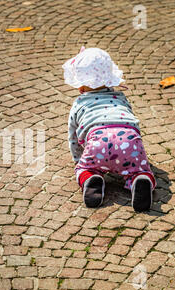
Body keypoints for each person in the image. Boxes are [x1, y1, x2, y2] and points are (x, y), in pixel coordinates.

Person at [63, 47, 156, 211]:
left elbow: (73, 136)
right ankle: (139, 178)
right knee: (140, 170)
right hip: (129, 140)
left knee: (85, 168)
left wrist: (79, 160)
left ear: (81, 87)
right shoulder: (121, 97)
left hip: (98, 144)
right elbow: (131, 122)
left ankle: (91, 178)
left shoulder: (78, 104)